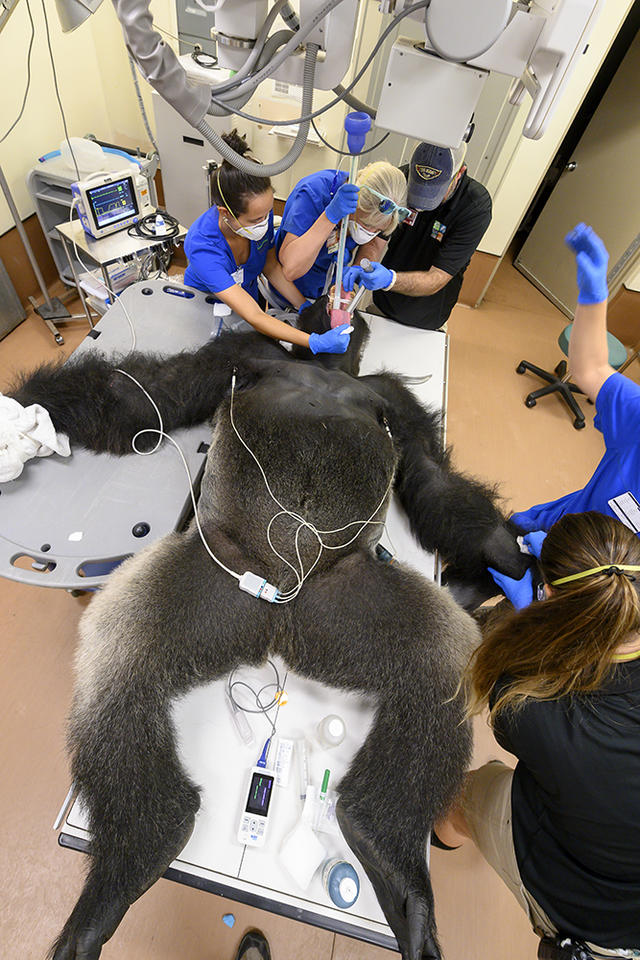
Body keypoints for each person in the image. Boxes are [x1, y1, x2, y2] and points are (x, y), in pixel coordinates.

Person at [434, 510, 640, 956]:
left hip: (586, 910)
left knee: (468, 793)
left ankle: (442, 832)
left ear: (547, 596)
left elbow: (507, 691)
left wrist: (530, 622)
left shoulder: (530, 710)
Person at [490, 223, 640, 610]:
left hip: (594, 612)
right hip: (555, 531)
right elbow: (591, 370)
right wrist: (594, 299)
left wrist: (543, 609)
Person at [184, 130, 350, 356]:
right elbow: (254, 315)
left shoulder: (256, 221)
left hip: (248, 307)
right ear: (225, 213)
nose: (265, 222)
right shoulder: (203, 247)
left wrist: (304, 307)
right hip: (207, 310)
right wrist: (313, 341)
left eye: (268, 214)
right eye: (257, 219)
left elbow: (270, 266)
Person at [343, 141, 492, 331]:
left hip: (426, 317)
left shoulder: (475, 207)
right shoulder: (400, 180)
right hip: (383, 303)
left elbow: (436, 278)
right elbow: (375, 242)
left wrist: (390, 280)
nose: (420, 204)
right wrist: (362, 268)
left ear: (459, 174)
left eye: (433, 193)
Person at [275, 160, 408, 303]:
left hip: (324, 295)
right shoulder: (315, 192)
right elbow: (291, 269)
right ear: (357, 201)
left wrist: (359, 274)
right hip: (286, 292)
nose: (369, 232)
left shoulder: (387, 210)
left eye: (378, 230)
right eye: (365, 224)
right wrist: (329, 217)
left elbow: (372, 246)